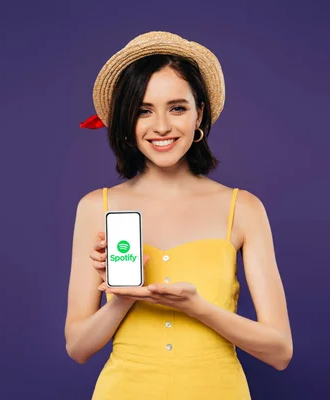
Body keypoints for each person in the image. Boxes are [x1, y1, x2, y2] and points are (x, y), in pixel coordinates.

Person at [65, 31, 292, 400]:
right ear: (126, 120)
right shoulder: (96, 208)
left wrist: (198, 308)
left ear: (199, 112)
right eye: (143, 110)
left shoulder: (244, 209)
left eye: (177, 108)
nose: (161, 127)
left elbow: (280, 352)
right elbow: (78, 347)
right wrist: (122, 297)